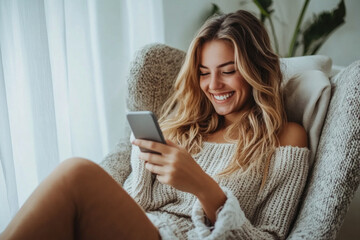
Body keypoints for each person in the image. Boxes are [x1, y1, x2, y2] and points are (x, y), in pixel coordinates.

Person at [0, 10, 309, 240]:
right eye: (203, 73)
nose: (213, 85)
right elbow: (137, 202)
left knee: (76, 173)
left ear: (256, 69)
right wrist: (144, 160)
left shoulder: (286, 138)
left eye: (228, 70)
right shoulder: (183, 128)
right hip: (137, 228)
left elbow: (270, 236)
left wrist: (202, 186)